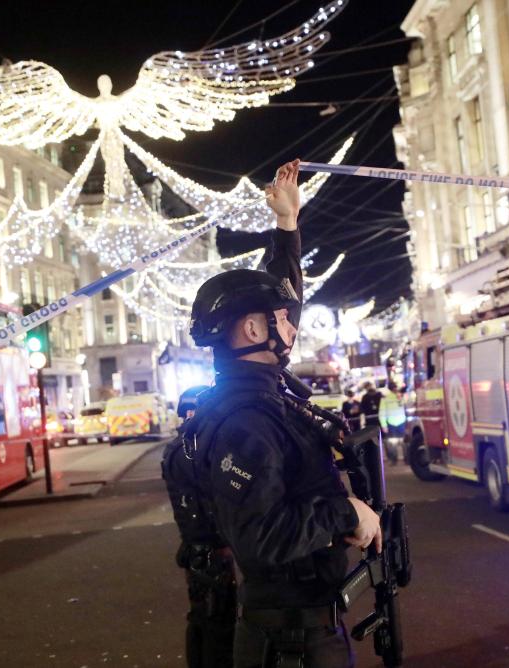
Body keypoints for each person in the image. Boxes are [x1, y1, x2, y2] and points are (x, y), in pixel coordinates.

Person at [185, 159, 382, 668]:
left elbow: (280, 298)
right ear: (252, 331)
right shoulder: (245, 421)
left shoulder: (259, 395)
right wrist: (347, 513)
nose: (292, 328)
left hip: (301, 631)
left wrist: (287, 227)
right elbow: (260, 537)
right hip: (289, 645)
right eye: (280, 322)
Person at [161, 386, 236, 668]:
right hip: (213, 550)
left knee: (202, 619)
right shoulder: (196, 450)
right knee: (219, 625)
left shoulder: (175, 448)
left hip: (195, 549)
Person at [378, 381, 405, 465]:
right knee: (394, 442)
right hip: (395, 423)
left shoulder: (400, 396)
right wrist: (384, 425)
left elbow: (381, 413)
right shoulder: (387, 398)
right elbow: (382, 413)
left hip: (397, 422)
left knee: (400, 442)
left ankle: (401, 459)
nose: (395, 389)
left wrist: (384, 425)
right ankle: (396, 460)